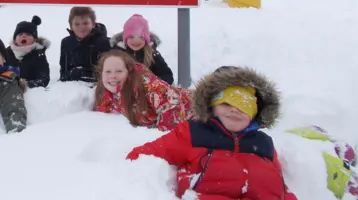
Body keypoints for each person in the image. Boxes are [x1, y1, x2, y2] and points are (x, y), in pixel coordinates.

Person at [126, 65, 298, 199]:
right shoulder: (193, 133)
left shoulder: (264, 143)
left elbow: (281, 188)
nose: (235, 110)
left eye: (244, 106)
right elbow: (143, 156)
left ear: (256, 112)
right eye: (226, 104)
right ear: (211, 106)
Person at [94, 50, 194, 131]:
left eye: (119, 71)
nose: (112, 76)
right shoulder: (104, 89)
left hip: (195, 107)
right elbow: (103, 112)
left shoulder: (148, 85)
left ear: (129, 71)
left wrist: (156, 136)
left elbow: (173, 109)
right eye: (107, 71)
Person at [110, 14, 174, 84]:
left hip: (146, 91)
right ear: (125, 39)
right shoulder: (117, 54)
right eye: (131, 37)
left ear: (146, 39)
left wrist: (151, 82)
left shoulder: (152, 54)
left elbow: (167, 76)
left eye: (141, 37)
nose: (136, 41)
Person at [59, 6, 110, 83]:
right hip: (71, 88)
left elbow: (109, 73)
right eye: (77, 24)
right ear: (71, 26)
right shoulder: (66, 43)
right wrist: (72, 74)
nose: (81, 27)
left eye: (85, 23)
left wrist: (83, 73)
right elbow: (63, 73)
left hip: (97, 87)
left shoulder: (105, 42)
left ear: (93, 24)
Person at [6, 15, 51, 88]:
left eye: (28, 34)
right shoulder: (7, 53)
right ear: (15, 40)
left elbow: (44, 79)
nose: (24, 36)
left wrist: (25, 85)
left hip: (31, 93)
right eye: (20, 34)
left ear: (35, 40)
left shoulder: (38, 54)